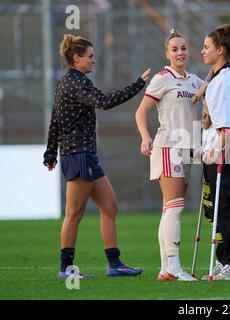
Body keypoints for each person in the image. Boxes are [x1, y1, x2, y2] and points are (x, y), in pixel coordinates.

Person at [43, 34, 151, 278]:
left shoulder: (70, 81)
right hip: (78, 154)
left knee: (109, 206)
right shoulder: (76, 83)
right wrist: (137, 85)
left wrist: (50, 153)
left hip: (85, 156)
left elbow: (54, 120)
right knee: (74, 213)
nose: (94, 60)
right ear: (76, 57)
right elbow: (104, 102)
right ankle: (67, 269)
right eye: (90, 56)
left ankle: (115, 265)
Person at [135, 29, 203, 281]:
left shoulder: (195, 81)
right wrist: (145, 137)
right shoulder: (162, 78)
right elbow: (140, 112)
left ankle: (166, 268)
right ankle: (173, 266)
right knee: (175, 207)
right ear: (167, 53)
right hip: (168, 147)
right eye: (174, 49)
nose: (180, 52)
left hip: (188, 150)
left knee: (170, 209)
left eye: (183, 48)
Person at [199, 25, 230, 281]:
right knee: (219, 207)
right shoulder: (221, 75)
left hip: (227, 151)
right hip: (221, 148)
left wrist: (216, 153)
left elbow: (228, 126)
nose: (202, 51)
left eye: (207, 47)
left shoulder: (226, 81)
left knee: (229, 207)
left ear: (220, 50)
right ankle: (226, 259)